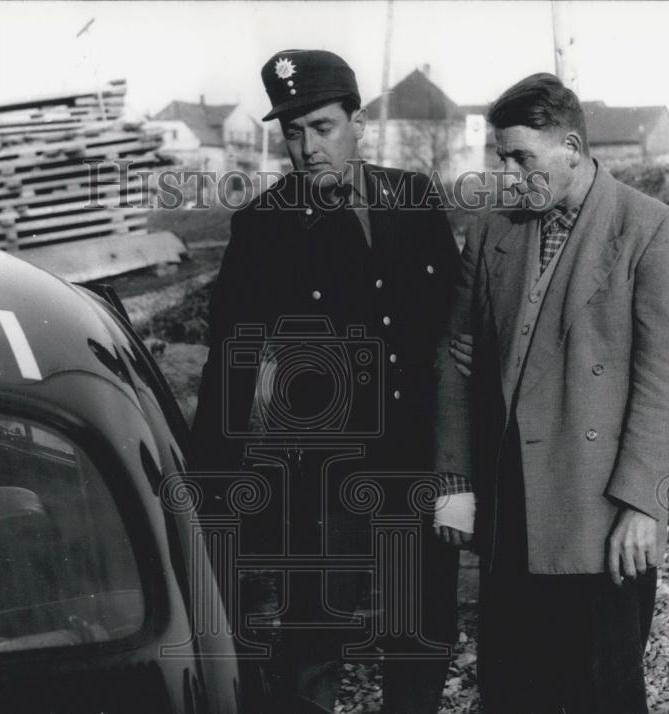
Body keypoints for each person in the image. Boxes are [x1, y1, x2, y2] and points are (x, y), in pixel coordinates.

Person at [191, 49, 467, 713]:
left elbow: (452, 346)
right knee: (314, 638)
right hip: (321, 478)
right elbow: (233, 361)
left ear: (356, 123)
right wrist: (209, 489)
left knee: (419, 634)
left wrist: (460, 471)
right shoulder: (261, 228)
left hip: (411, 466)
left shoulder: (415, 205)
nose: (308, 148)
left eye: (322, 127)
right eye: (292, 132)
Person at [434, 73, 669, 713]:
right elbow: (452, 359)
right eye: (501, 156)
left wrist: (642, 503)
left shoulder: (653, 230)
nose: (507, 171)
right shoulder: (494, 230)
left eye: (521, 156)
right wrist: (455, 483)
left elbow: (668, 380)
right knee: (513, 693)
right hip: (509, 510)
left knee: (601, 695)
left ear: (573, 149)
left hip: (601, 513)